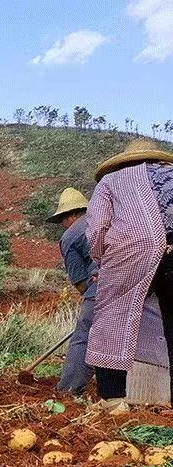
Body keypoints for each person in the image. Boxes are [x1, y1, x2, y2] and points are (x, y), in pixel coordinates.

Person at [86, 139, 173, 407]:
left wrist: (102, 262)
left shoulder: (110, 181)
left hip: (131, 248)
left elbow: (97, 228)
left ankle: (113, 400)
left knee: (111, 315)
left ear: (123, 162)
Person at [46, 188, 97, 395]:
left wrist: (89, 300)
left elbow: (81, 283)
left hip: (100, 285)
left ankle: (69, 388)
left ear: (72, 214)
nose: (63, 225)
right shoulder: (105, 220)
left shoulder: (70, 237)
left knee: (84, 335)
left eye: (62, 220)